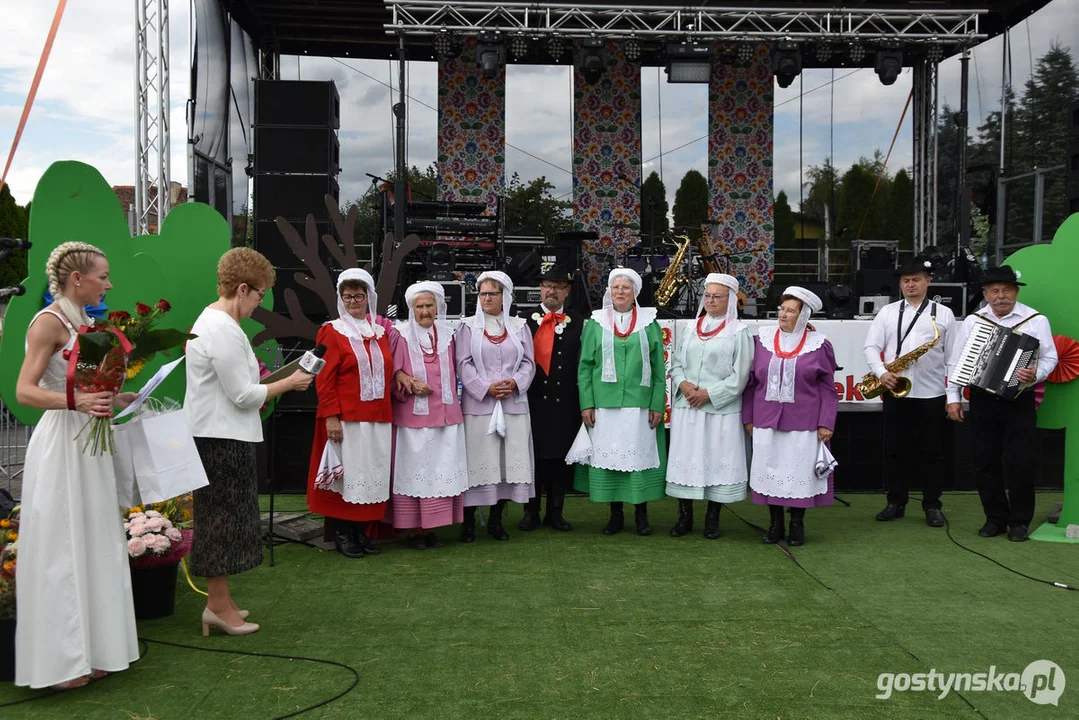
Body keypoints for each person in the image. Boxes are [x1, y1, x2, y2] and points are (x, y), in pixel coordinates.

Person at [14, 242, 140, 689]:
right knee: (61, 546)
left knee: (94, 539)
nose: (109, 284)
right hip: (60, 444)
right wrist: (78, 400)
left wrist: (116, 397)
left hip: (90, 444)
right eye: (103, 276)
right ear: (77, 280)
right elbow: (24, 391)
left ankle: (97, 649)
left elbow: (88, 385)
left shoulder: (86, 322)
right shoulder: (48, 323)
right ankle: (62, 661)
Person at [185, 247, 313, 636]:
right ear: (242, 289)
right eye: (259, 295)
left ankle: (221, 603)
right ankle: (216, 606)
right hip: (220, 438)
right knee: (220, 522)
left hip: (219, 434)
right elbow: (242, 394)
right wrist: (289, 382)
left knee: (225, 519)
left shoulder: (214, 322)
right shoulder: (221, 328)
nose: (260, 303)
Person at [945, 265, 1057, 542]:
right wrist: (953, 398)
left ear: (1016, 292)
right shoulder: (973, 322)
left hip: (1020, 398)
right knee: (985, 461)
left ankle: (1019, 521)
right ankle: (995, 518)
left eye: (1006, 290)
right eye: (994, 291)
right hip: (983, 399)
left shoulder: (1035, 320)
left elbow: (1050, 358)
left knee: (1021, 461)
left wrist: (1035, 374)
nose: (1001, 296)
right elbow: (957, 362)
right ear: (985, 294)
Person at [306, 268, 395, 558]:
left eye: (358, 295)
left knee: (370, 476)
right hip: (347, 419)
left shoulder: (381, 332)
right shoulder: (332, 331)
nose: (353, 301)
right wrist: (330, 416)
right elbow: (324, 377)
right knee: (350, 477)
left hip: (378, 417)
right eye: (347, 296)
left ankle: (361, 531)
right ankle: (344, 533)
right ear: (340, 299)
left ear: (369, 297)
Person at [863, 256, 956, 527]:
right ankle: (896, 501)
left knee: (933, 452)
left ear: (928, 281)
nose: (911, 284)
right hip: (896, 391)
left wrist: (953, 396)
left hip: (932, 392)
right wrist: (882, 373)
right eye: (906, 280)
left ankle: (932, 505)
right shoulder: (888, 312)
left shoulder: (944, 314)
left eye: (916, 279)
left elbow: (953, 358)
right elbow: (870, 347)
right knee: (895, 450)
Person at [575, 268, 667, 536]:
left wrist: (657, 405)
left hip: (639, 405)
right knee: (610, 459)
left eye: (626, 288)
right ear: (608, 291)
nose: (620, 292)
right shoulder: (596, 323)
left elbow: (658, 368)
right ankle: (615, 515)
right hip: (604, 405)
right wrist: (586, 403)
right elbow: (585, 367)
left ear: (635, 292)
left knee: (638, 459)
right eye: (615, 287)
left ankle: (641, 515)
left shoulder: (649, 324)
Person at [743, 286, 838, 546]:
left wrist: (826, 422)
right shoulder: (761, 341)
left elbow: (829, 389)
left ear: (804, 315)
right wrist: (748, 418)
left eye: (790, 311)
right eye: (781, 309)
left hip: (804, 424)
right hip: (766, 421)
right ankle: (775, 524)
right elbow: (750, 384)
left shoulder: (819, 346)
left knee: (798, 475)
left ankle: (797, 523)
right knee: (769, 472)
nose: (783, 315)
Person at [666, 273, 753, 539]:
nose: (711, 301)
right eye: (707, 295)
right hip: (688, 407)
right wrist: (683, 385)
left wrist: (708, 394)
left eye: (718, 296)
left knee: (718, 462)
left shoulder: (740, 333)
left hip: (720, 411)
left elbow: (740, 377)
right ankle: (684, 517)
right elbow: (676, 363)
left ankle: (712, 519)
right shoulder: (692, 328)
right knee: (686, 460)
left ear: (731, 300)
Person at [454, 271, 536, 542]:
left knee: (505, 464)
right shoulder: (467, 327)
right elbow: (462, 363)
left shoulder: (519, 326)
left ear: (505, 296)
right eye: (483, 293)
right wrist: (483, 388)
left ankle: (496, 521)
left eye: (493, 293)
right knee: (477, 462)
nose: (487, 298)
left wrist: (514, 383)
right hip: (479, 407)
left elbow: (528, 363)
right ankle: (467, 523)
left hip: (513, 405)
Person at [389, 281, 469, 549]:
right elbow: (391, 373)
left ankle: (432, 527)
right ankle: (413, 530)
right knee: (415, 473)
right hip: (414, 419)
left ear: (438, 307)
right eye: (419, 306)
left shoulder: (449, 334)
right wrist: (406, 381)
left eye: (429, 305)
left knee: (439, 472)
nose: (424, 311)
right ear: (412, 309)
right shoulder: (399, 334)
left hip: (446, 417)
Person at [520, 264, 584, 532]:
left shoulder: (579, 321)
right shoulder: (524, 320)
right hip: (533, 400)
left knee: (560, 457)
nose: (551, 291)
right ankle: (530, 510)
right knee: (532, 456)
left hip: (564, 401)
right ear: (540, 289)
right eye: (547, 286)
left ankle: (555, 511)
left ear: (567, 291)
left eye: (558, 287)